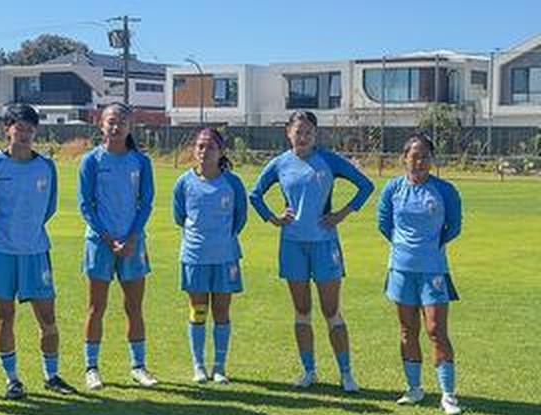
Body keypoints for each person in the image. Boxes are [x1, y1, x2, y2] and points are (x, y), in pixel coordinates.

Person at [249, 110, 374, 392]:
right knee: (302, 310)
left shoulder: (328, 160)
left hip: (325, 244)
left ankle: (346, 374)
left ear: (315, 135)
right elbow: (254, 194)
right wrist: (274, 218)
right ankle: (309, 371)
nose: (302, 137)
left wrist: (341, 214)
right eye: (298, 132)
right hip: (292, 245)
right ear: (288, 133)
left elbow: (366, 186)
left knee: (331, 311)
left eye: (308, 132)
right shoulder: (280, 164)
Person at [0, 103, 75, 398]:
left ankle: (52, 375)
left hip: (35, 252)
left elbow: (49, 207)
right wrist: (5, 229)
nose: (25, 133)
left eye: (31, 129)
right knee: (5, 318)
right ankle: (12, 379)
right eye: (19, 127)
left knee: (48, 319)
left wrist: (28, 230)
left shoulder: (46, 166)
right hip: (0, 251)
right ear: (8, 129)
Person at [377, 133, 463, 415]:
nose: (419, 161)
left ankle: (448, 395)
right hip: (401, 268)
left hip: (433, 269)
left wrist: (429, 249)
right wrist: (405, 248)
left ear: (432, 159)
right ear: (404, 158)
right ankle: (414, 388)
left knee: (436, 330)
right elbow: (384, 224)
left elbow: (454, 226)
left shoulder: (445, 190)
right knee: (406, 330)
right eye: (414, 156)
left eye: (425, 155)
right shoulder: (392, 189)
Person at [77, 103, 157, 390]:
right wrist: (108, 237)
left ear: (130, 126)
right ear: (101, 124)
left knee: (134, 307)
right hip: (100, 243)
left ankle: (138, 366)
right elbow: (86, 205)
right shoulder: (91, 161)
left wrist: (132, 236)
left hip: (133, 243)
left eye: (122, 121)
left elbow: (145, 203)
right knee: (96, 307)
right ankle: (91, 368)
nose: (116, 126)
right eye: (111, 121)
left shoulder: (141, 162)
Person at [172, 128, 248, 384]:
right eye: (200, 146)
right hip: (194, 256)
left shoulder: (233, 183)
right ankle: (198, 366)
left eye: (211, 147)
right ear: (194, 150)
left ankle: (219, 367)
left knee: (222, 312)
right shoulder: (184, 182)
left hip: (225, 257)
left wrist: (221, 240)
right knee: (198, 311)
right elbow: (179, 217)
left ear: (221, 151)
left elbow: (240, 219)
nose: (204, 152)